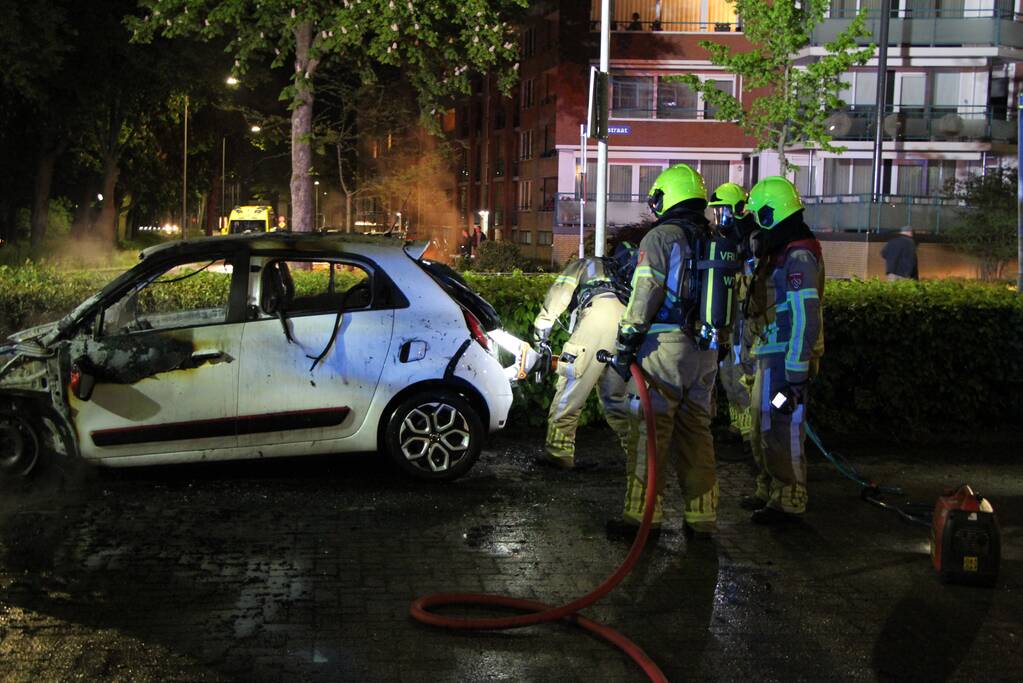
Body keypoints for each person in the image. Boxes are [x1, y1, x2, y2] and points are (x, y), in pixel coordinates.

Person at [608, 164, 721, 539]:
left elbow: (645, 294)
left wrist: (626, 343)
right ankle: (702, 517)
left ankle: (642, 518)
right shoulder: (714, 237)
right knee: (697, 432)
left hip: (663, 348)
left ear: (665, 197)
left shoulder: (661, 237)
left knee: (649, 432)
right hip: (706, 350)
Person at [740, 176, 826, 525]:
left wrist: (795, 374)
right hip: (772, 356)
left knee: (783, 427)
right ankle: (770, 490)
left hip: (787, 361)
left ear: (771, 214)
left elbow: (805, 316)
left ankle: (790, 499)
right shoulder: (780, 252)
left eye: (758, 216)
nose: (755, 226)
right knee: (763, 426)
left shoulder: (799, 256)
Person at [532, 227, 644, 470]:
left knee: (570, 389)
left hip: (596, 321)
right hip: (627, 328)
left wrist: (541, 332)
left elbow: (559, 294)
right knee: (616, 399)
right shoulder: (626, 274)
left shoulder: (586, 264)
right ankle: (638, 455)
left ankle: (558, 453)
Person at [708, 182, 754, 451]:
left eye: (723, 210)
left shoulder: (751, 239)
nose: (719, 217)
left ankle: (751, 432)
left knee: (744, 369)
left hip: (745, 315)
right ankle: (739, 424)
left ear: (738, 209)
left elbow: (753, 281)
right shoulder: (722, 240)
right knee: (727, 370)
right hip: (728, 314)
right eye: (716, 211)